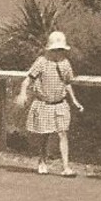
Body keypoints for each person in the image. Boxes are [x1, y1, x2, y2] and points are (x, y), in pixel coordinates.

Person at [21, 32, 82, 177]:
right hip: (44, 104)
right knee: (44, 135)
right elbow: (28, 79)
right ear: (49, 50)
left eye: (60, 50)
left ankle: (66, 166)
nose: (58, 53)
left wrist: (74, 101)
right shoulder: (41, 62)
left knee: (63, 133)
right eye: (55, 50)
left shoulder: (65, 64)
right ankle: (42, 161)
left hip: (60, 104)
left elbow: (67, 84)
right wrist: (23, 93)